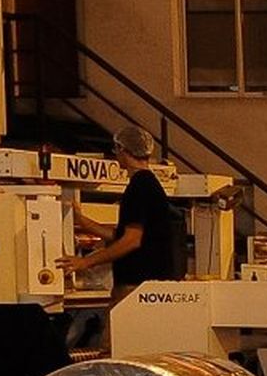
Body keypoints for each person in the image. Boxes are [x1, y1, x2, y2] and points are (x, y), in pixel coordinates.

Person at [56, 124, 181, 296]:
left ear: (122, 149)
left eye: (115, 149)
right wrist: (83, 222)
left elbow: (131, 240)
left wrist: (86, 262)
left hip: (138, 285)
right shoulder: (148, 184)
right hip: (147, 284)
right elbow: (124, 235)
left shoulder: (139, 186)